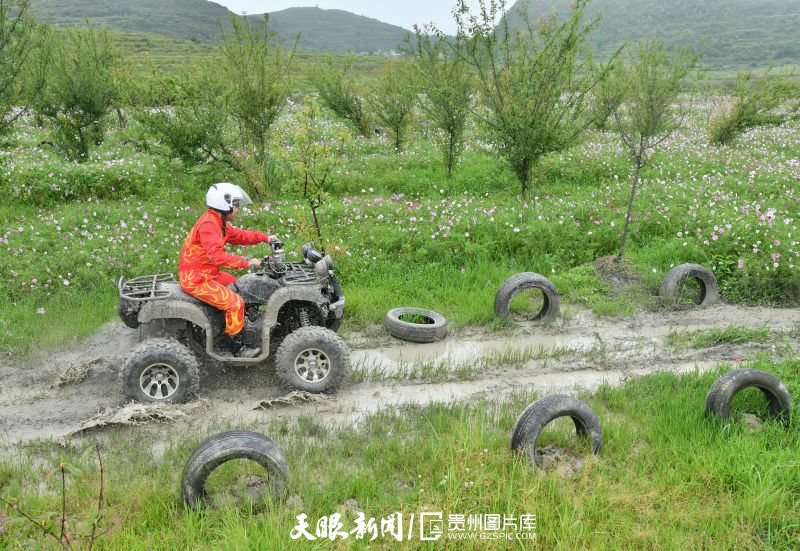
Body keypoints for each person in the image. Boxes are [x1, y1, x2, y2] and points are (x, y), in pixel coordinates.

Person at [179, 182, 276, 358]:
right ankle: (237, 348)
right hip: (197, 279)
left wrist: (265, 238)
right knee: (235, 303)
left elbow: (239, 236)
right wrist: (246, 263)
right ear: (224, 204)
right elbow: (216, 256)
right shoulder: (209, 225)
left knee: (241, 287)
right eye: (236, 205)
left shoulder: (218, 221)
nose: (238, 209)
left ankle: (234, 325)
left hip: (209, 274)